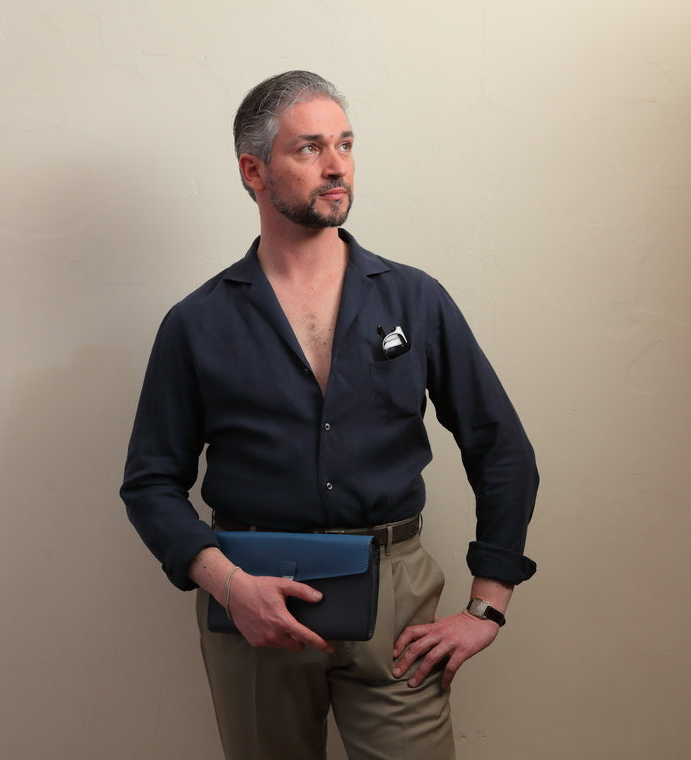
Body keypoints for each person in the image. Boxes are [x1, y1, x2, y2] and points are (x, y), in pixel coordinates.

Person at [121, 70, 538, 760]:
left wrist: (487, 607)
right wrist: (228, 583)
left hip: (397, 599)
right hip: (253, 597)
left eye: (345, 144)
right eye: (309, 148)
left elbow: (502, 448)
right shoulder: (196, 323)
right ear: (254, 171)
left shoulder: (415, 300)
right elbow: (149, 482)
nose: (337, 165)